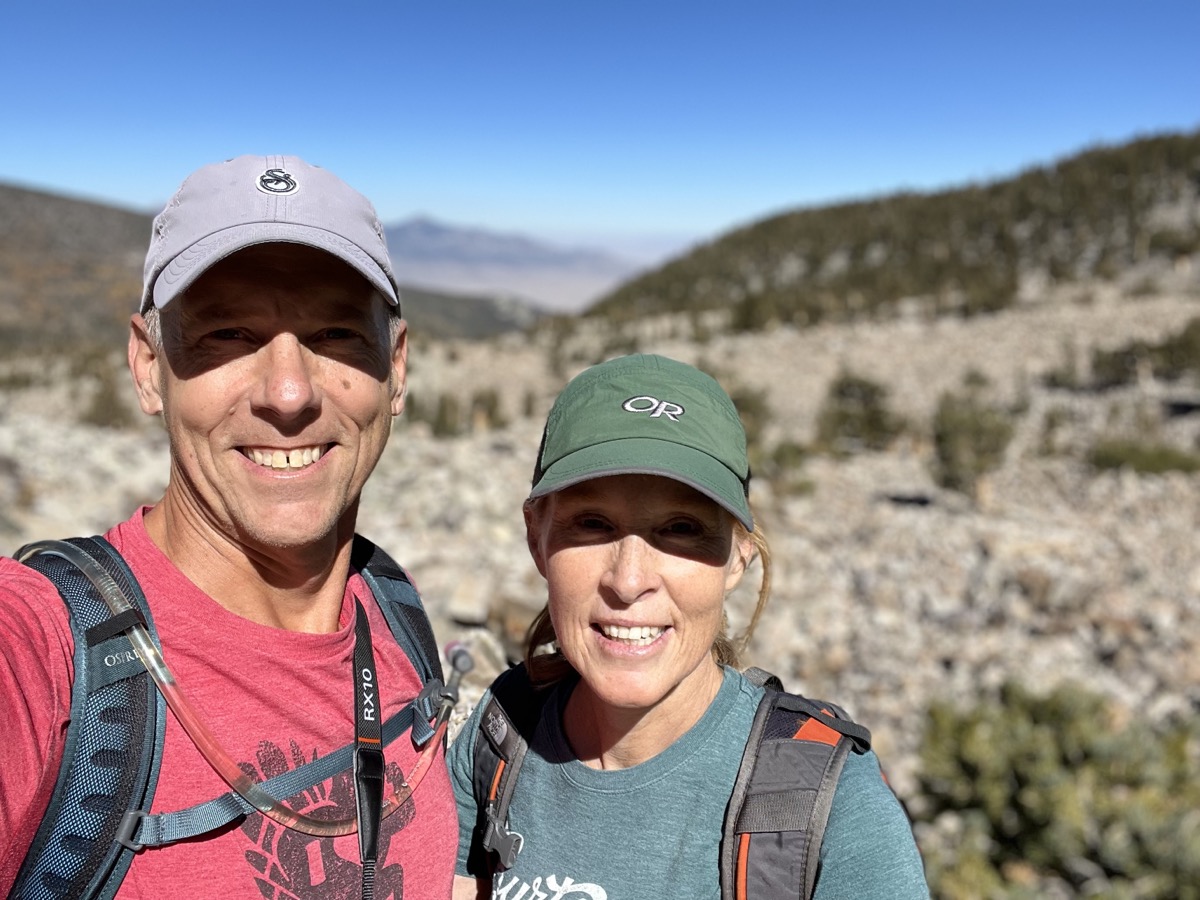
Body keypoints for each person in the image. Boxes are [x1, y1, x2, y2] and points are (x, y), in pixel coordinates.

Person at [0, 155, 457, 898]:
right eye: (228, 335)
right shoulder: (41, 646)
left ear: (396, 367)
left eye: (337, 333)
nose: (288, 392)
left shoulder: (393, 611)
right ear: (148, 367)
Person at [447, 353, 929, 899]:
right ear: (537, 534)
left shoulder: (831, 806)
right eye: (592, 523)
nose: (628, 581)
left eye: (680, 528)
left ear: (739, 557)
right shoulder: (500, 732)